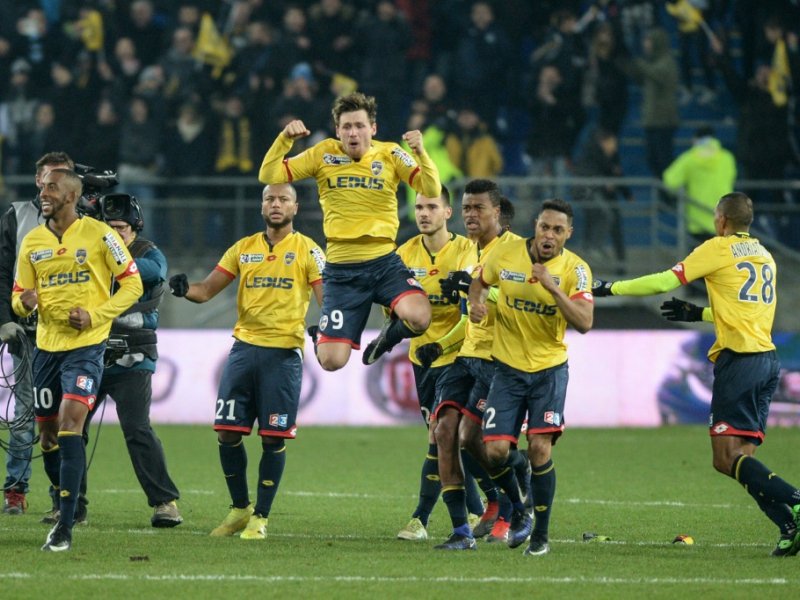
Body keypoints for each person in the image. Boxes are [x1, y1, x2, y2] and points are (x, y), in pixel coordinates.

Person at [593, 192, 800, 557]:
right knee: (743, 460)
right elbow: (745, 312)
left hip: (739, 362)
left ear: (721, 221)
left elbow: (661, 282)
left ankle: (796, 501)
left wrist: (610, 288)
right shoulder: (764, 255)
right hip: (766, 360)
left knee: (724, 459)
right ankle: (788, 526)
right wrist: (698, 313)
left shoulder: (717, 247)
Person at [168, 183, 324, 540]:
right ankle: (240, 508)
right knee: (226, 432)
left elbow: (325, 296)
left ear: (296, 208)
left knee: (273, 437)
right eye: (270, 198)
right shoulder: (243, 248)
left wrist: (325, 328)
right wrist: (183, 288)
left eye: (283, 199)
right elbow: (205, 290)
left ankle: (262, 517)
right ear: (261, 205)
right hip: (243, 350)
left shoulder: (309, 251)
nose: (276, 204)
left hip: (283, 354)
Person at [257, 92, 440, 372]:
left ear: (373, 128)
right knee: (332, 362)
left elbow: (431, 189)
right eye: (346, 127)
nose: (353, 133)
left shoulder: (390, 153)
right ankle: (321, 336)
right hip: (342, 270)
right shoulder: (323, 153)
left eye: (360, 125)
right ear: (337, 130)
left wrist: (420, 152)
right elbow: (269, 176)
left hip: (384, 263)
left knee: (419, 317)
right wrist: (285, 140)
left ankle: (387, 336)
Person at [12, 168, 143, 551]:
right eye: (42, 188)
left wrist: (96, 315)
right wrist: (24, 303)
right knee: (49, 436)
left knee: (71, 424)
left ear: (71, 195)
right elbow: (20, 293)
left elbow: (132, 283)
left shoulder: (101, 235)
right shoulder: (33, 241)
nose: (43, 193)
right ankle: (63, 497)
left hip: (86, 346)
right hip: (46, 349)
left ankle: (64, 527)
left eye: (51, 187)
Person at [469, 198, 594, 556]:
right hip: (506, 370)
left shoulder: (576, 270)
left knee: (540, 448)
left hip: (548, 372)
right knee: (494, 452)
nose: (549, 235)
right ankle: (520, 502)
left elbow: (585, 323)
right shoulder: (505, 253)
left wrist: (553, 288)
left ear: (568, 234)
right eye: (544, 227)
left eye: (557, 230)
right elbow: (479, 282)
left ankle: (540, 535)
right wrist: (475, 303)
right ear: (535, 225)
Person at [430, 178, 528, 551]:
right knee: (443, 432)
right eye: (467, 208)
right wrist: (441, 343)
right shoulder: (468, 251)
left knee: (477, 441)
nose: (471, 215)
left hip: (499, 360)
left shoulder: (517, 252)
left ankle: (518, 503)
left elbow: (523, 299)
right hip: (466, 356)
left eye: (479, 208)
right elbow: (471, 312)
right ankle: (460, 531)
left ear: (497, 212)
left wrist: (483, 290)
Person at [394, 186, 483, 541]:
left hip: (459, 357)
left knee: (440, 437)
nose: (424, 213)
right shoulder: (403, 253)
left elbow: (472, 305)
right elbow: (395, 308)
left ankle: (420, 519)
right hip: (422, 359)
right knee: (450, 442)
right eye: (418, 207)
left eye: (432, 206)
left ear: (448, 212)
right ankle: (481, 510)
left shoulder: (467, 251)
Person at [91, 192, 183, 527]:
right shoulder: (93, 252)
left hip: (134, 353)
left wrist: (105, 258)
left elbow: (153, 273)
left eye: (121, 228)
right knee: (69, 428)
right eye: (109, 227)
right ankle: (68, 503)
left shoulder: (149, 253)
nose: (116, 233)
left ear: (135, 228)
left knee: (137, 428)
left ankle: (165, 503)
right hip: (89, 351)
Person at [0, 152, 74, 515]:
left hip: (72, 335)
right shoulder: (17, 215)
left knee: (70, 418)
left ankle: (69, 496)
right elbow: (2, 272)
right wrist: (4, 319)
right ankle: (16, 489)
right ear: (36, 180)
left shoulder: (85, 221)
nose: (51, 187)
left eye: (59, 180)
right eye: (46, 179)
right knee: (28, 412)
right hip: (28, 333)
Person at [663, 126, 736, 244]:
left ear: (696, 139)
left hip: (697, 221)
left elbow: (669, 180)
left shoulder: (690, 158)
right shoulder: (727, 158)